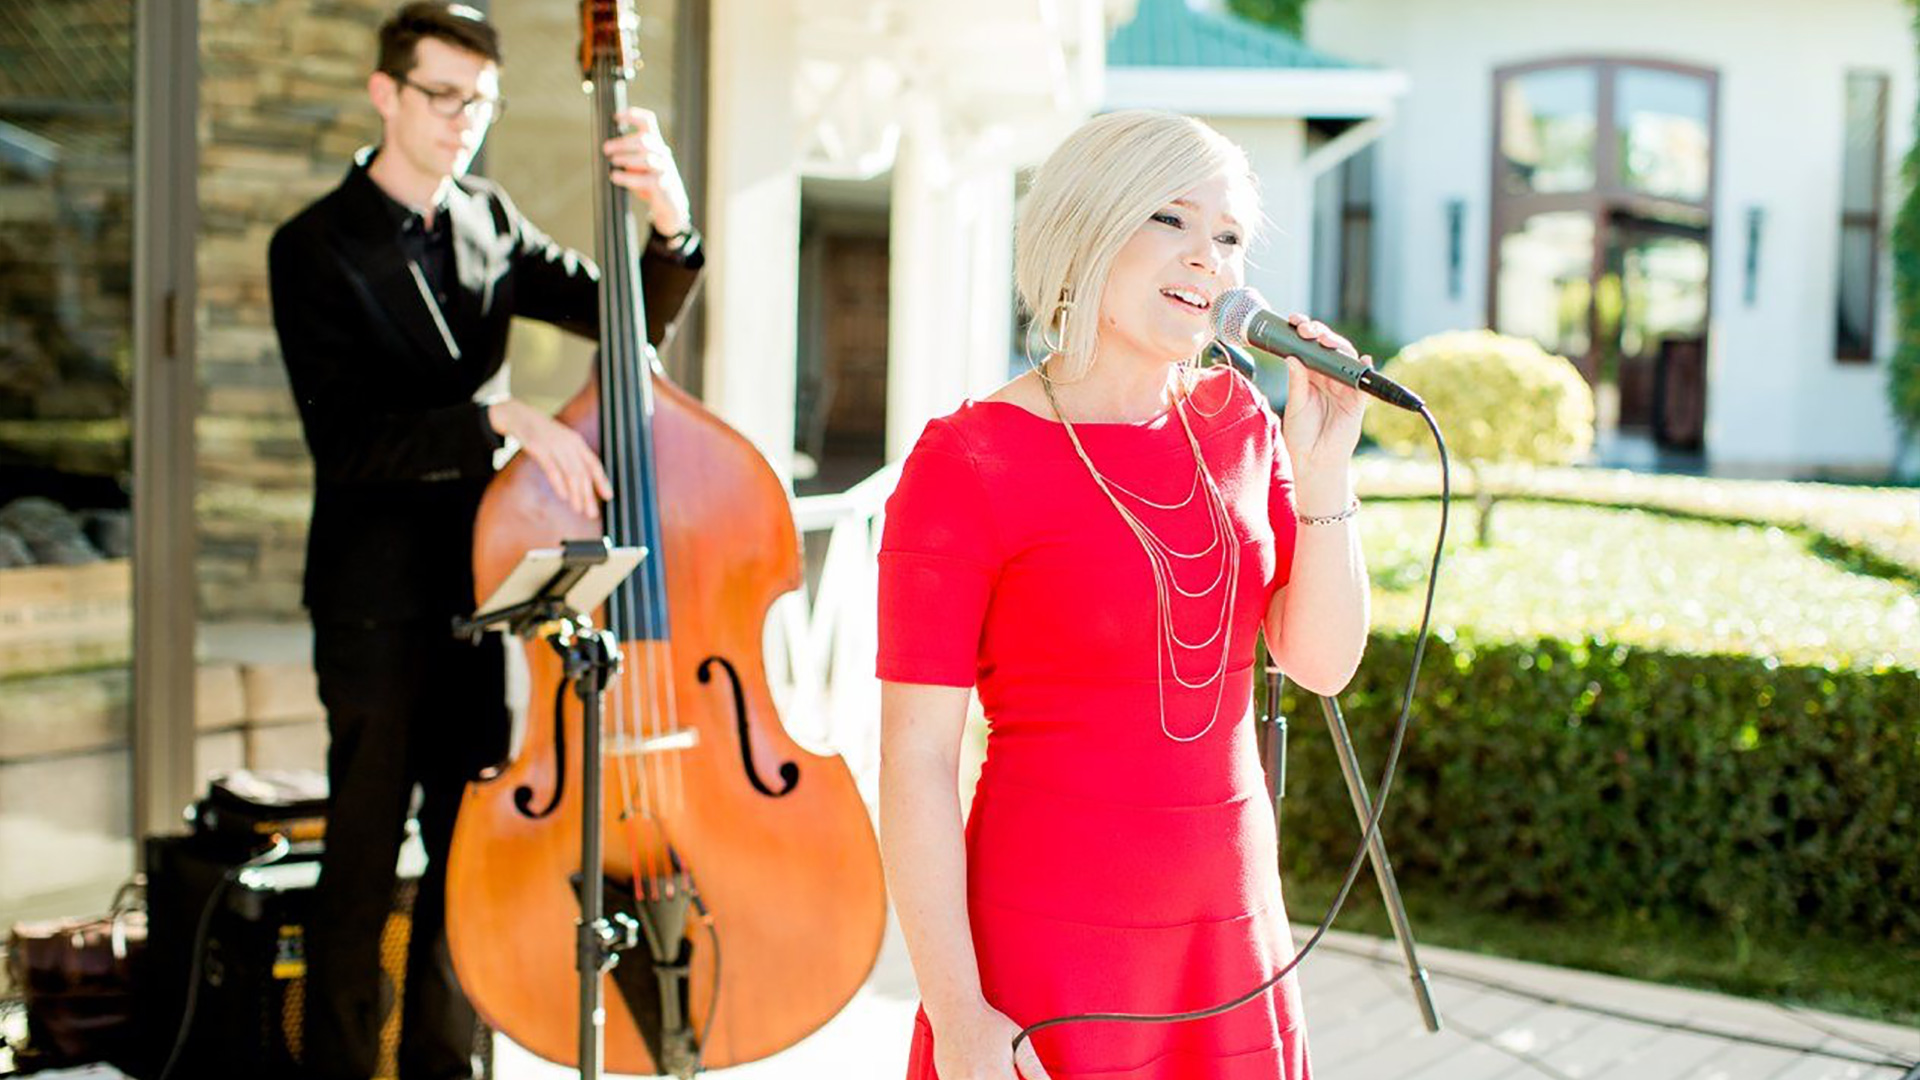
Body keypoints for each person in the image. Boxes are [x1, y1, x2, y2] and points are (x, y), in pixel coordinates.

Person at [877, 110, 1374, 1080]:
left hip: (1231, 937)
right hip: (1049, 947)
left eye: (1228, 236)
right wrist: (959, 1011)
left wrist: (1325, 473)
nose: (1207, 259)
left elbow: (1322, 664)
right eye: (1170, 218)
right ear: (1084, 226)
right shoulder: (969, 461)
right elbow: (917, 759)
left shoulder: (1241, 422)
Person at [265, 4, 702, 1078]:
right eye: (443, 95)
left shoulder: (490, 219)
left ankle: (446, 1068)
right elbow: (347, 441)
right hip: (372, 605)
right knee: (363, 862)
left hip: (482, 591)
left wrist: (669, 225)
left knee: (469, 862)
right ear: (386, 94)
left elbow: (625, 320)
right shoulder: (311, 245)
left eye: (482, 102)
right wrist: (498, 419)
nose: (463, 118)